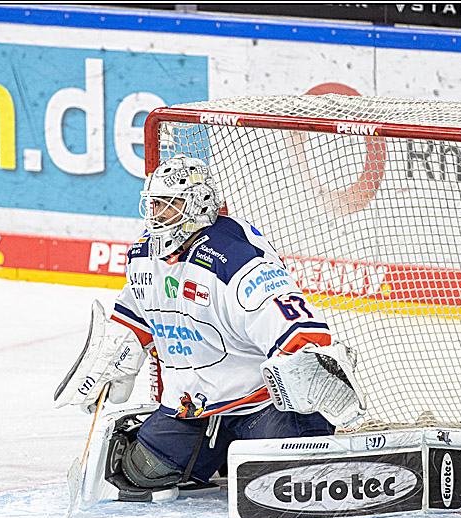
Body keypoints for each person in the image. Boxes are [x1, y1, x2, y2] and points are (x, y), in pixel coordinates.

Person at [54, 155, 364, 499]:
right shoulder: (143, 255)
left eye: (169, 204)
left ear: (198, 206)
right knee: (137, 473)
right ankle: (220, 456)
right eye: (153, 203)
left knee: (287, 482)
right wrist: (116, 359)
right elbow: (136, 314)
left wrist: (309, 370)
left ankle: (276, 445)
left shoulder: (234, 257)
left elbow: (296, 330)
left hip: (259, 406)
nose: (156, 214)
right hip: (194, 411)